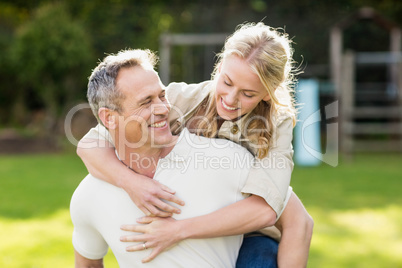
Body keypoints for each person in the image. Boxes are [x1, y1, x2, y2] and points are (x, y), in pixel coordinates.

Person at [77, 22, 313, 267]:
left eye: (248, 94)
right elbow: (90, 144)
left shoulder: (277, 124)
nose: (231, 100)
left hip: (252, 234)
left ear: (268, 92)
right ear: (219, 67)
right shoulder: (180, 99)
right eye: (228, 82)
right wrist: (132, 183)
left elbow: (267, 210)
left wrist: (177, 230)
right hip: (198, 210)